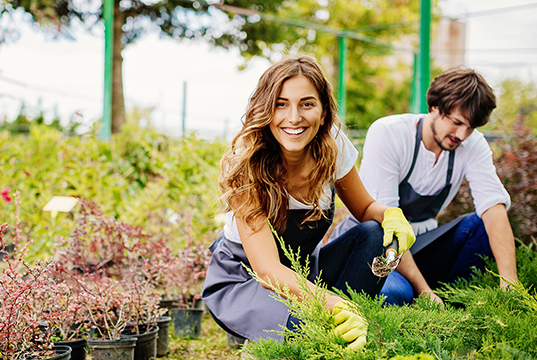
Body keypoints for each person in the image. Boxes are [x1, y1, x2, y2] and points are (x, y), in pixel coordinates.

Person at [201, 55, 416, 350]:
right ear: (266, 109)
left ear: (324, 111)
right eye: (281, 103)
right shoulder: (247, 165)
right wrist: (332, 304)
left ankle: (349, 325)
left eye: (307, 103)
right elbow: (267, 270)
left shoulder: (333, 146)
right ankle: (280, 332)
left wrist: (391, 214)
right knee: (311, 329)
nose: (294, 117)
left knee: (373, 233)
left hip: (304, 274)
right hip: (247, 278)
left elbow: (366, 209)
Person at [330, 67, 518, 306]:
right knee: (395, 294)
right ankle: (421, 294)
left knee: (480, 226)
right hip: (378, 244)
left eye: (470, 127)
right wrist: (424, 291)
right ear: (435, 108)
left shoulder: (472, 143)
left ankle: (455, 301)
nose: (462, 134)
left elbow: (493, 207)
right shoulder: (389, 133)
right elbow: (387, 225)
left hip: (422, 244)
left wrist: (510, 284)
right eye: (457, 122)